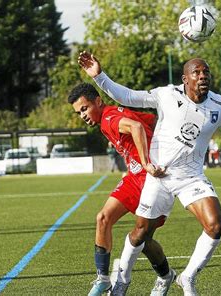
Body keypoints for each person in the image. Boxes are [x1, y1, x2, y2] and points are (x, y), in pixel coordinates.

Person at [78, 51, 221, 296]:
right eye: (197, 72)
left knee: (215, 224)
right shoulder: (167, 95)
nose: (203, 76)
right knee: (141, 234)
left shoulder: (219, 105)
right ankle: (122, 282)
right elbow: (127, 95)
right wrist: (99, 76)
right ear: (185, 78)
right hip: (159, 177)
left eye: (206, 72)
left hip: (191, 176)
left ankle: (187, 277)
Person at [67, 83, 169, 296]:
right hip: (134, 179)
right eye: (79, 113)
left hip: (152, 181)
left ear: (98, 101)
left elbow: (136, 127)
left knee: (144, 239)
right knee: (103, 218)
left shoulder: (109, 118)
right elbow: (148, 121)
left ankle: (165, 277)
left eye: (84, 109)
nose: (83, 116)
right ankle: (103, 278)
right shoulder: (110, 117)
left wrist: (146, 162)